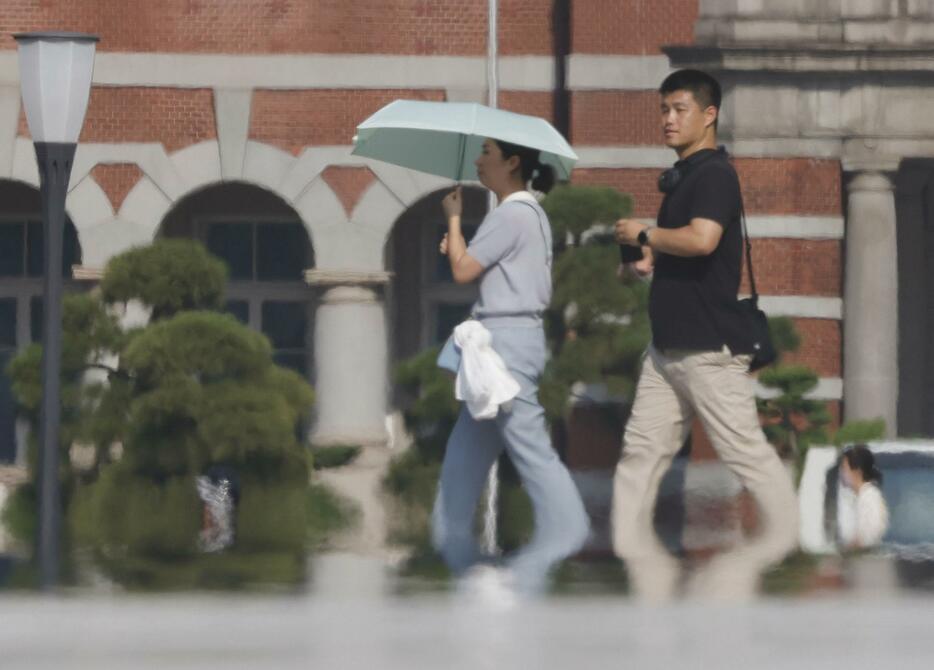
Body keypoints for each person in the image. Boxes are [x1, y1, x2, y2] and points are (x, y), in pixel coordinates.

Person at [611, 69, 799, 599]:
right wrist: (641, 257)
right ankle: (634, 566)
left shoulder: (714, 174)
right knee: (638, 458)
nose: (668, 119)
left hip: (709, 350)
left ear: (708, 114)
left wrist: (646, 231)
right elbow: (681, 250)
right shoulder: (682, 176)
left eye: (679, 109)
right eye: (663, 110)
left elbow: (701, 240)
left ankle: (790, 546)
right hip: (666, 349)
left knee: (746, 454)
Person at [431, 137, 590, 602]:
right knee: (464, 456)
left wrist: (455, 218)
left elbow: (463, 271)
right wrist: (459, 243)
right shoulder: (529, 214)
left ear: (513, 162)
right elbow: (474, 264)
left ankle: (565, 536)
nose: (479, 161)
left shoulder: (513, 213)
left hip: (504, 344)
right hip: (501, 340)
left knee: (529, 446)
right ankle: (455, 552)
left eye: (487, 153)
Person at [837, 444, 889, 550]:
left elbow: (869, 539)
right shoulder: (852, 497)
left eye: (844, 468)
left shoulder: (871, 497)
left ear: (857, 471)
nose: (841, 473)